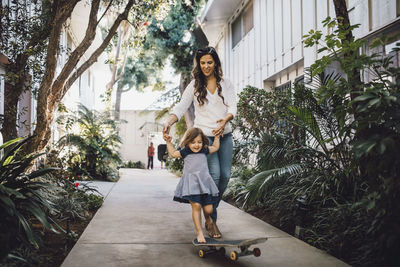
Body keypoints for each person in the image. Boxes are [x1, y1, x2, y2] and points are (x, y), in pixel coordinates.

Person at [163, 46, 236, 238]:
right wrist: (170, 121)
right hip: (203, 136)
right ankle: (211, 221)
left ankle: (208, 208)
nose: (206, 66)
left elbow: (233, 106)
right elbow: (181, 106)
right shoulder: (195, 85)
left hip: (224, 135)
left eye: (209, 62)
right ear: (199, 64)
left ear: (216, 63)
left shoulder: (225, 83)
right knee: (215, 176)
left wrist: (226, 120)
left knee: (226, 176)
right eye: (202, 62)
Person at [163, 127, 221, 243]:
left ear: (203, 142)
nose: (196, 145)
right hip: (191, 184)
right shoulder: (185, 151)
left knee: (209, 209)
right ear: (188, 142)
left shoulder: (204, 150)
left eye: (199, 142)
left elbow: (215, 147)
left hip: (204, 183)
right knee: (196, 206)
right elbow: (174, 153)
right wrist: (168, 142)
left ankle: (208, 219)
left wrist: (217, 137)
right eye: (193, 142)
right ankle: (199, 233)